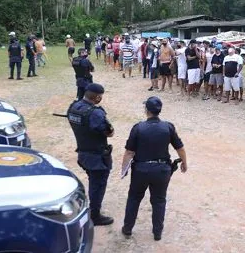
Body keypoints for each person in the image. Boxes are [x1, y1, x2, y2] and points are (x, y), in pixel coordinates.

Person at [121, 96, 187, 241]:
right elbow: (180, 147)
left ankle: (127, 228)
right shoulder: (168, 127)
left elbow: (129, 152)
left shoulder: (138, 128)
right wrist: (184, 162)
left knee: (134, 198)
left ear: (146, 110)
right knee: (159, 200)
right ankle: (157, 232)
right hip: (162, 169)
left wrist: (124, 170)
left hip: (141, 169)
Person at [67, 83, 114, 226]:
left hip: (83, 153)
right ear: (98, 97)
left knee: (93, 181)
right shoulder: (95, 113)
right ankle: (95, 215)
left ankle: (90, 206)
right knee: (98, 185)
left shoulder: (74, 107)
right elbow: (109, 132)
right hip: (97, 157)